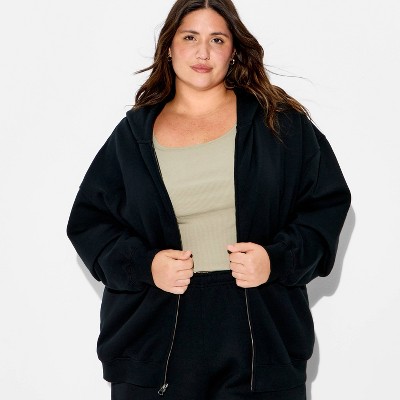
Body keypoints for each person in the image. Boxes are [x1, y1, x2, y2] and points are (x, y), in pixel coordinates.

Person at [66, 0, 351, 399]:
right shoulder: (133, 136)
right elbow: (89, 223)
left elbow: (325, 205)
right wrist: (147, 266)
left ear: (233, 51)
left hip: (261, 333)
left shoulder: (279, 124)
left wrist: (276, 259)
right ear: (169, 47)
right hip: (155, 338)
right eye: (190, 38)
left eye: (217, 39)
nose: (203, 52)